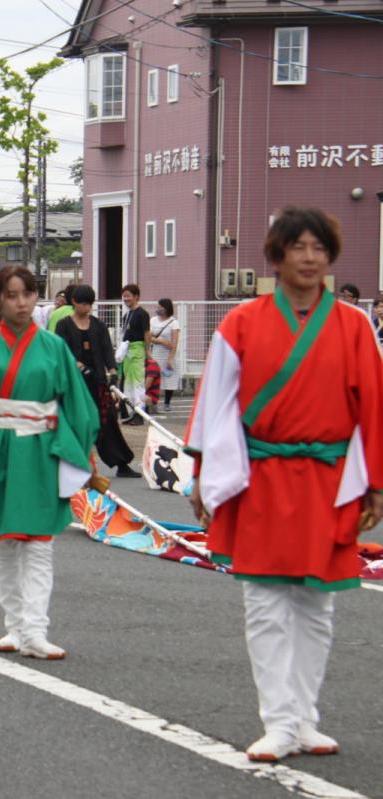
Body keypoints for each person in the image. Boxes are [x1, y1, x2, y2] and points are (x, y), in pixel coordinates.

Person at [186, 207, 383, 762]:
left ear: (330, 255)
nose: (309, 256)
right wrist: (202, 475)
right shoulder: (241, 323)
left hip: (329, 479)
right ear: (277, 254)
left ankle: (306, 719)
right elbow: (213, 404)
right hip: (262, 477)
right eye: (297, 246)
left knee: (317, 604)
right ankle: (277, 722)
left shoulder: (353, 324)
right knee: (267, 604)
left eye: (318, 247)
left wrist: (377, 484)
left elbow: (374, 406)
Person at [0, 266, 99, 660]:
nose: (21, 303)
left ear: (37, 298)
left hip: (42, 449)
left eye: (28, 294)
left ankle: (35, 630)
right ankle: (14, 626)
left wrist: (84, 449)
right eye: (12, 295)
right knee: (5, 539)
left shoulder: (54, 347)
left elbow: (77, 404)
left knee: (38, 541)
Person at [55, 284, 138, 478]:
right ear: (74, 302)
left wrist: (111, 371)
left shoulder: (98, 325)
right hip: (74, 384)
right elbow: (61, 351)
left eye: (90, 304)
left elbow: (107, 349)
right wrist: (78, 366)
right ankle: (69, 463)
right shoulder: (64, 325)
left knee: (107, 419)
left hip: (97, 382)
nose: (87, 308)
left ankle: (121, 463)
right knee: (73, 421)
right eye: (83, 303)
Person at [119, 283, 151, 425]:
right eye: (124, 296)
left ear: (136, 297)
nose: (125, 299)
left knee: (138, 383)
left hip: (137, 350)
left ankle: (139, 414)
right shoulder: (127, 315)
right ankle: (132, 412)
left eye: (128, 296)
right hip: (127, 351)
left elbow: (147, 333)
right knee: (128, 384)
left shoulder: (142, 314)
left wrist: (147, 351)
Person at [149, 298, 181, 411]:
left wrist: (170, 359)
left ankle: (167, 402)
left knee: (169, 378)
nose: (157, 309)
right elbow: (148, 337)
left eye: (160, 307)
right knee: (154, 378)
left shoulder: (174, 322)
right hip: (156, 353)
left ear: (166, 308)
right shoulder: (153, 320)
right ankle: (154, 402)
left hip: (169, 354)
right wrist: (161, 341)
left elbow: (174, 343)